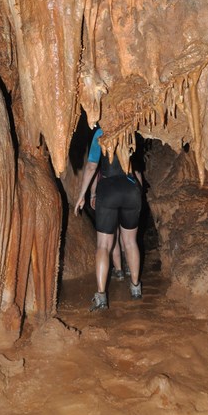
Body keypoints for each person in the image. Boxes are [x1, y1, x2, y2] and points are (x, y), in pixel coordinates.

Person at [74, 127, 142, 311]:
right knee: (130, 242)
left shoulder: (100, 133)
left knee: (103, 245)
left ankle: (101, 295)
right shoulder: (130, 129)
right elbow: (135, 168)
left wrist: (83, 195)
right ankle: (136, 287)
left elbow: (91, 167)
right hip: (131, 190)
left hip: (108, 189)